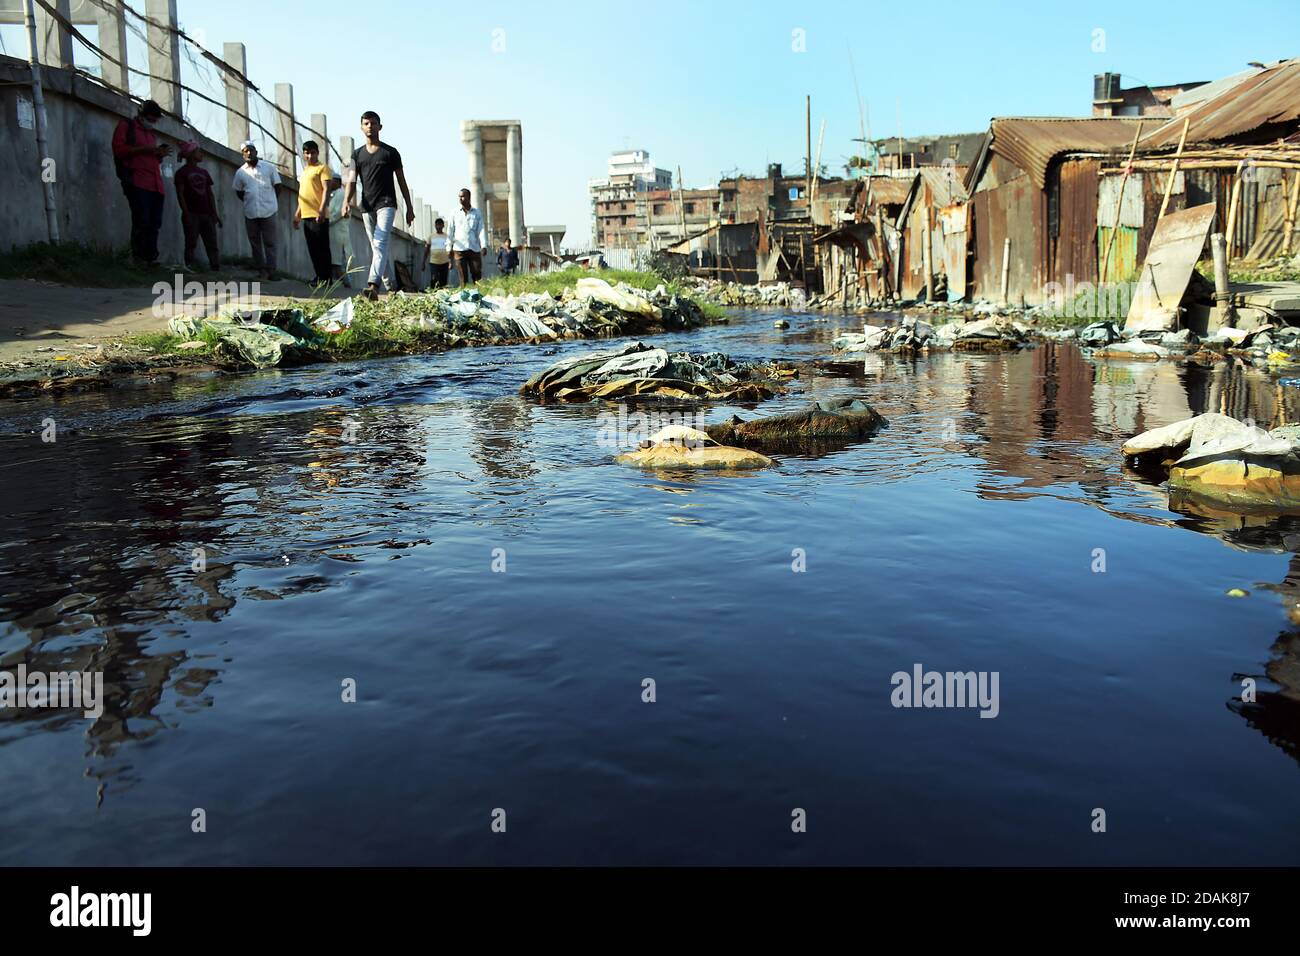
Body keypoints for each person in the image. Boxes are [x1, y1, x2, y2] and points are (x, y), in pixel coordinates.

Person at [341, 111, 415, 300]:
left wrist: (409, 207)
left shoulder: (390, 152)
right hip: (367, 206)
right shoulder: (356, 155)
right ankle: (392, 286)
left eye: (373, 123)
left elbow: (401, 181)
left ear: (380, 127)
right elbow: (350, 180)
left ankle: (373, 286)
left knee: (380, 242)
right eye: (366, 123)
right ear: (361, 127)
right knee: (377, 249)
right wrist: (346, 202)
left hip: (387, 204)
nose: (370, 126)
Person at [112, 99, 171, 266]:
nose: (153, 123)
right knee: (141, 221)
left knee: (154, 224)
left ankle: (151, 259)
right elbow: (119, 150)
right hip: (137, 182)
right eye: (151, 119)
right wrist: (145, 150)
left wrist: (159, 154)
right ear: (142, 115)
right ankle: (138, 258)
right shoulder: (126, 126)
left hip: (156, 185)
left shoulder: (151, 135)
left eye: (155, 120)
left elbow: (150, 159)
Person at [232, 141, 281, 280]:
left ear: (256, 152)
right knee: (255, 243)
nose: (249, 153)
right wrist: (250, 201)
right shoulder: (240, 172)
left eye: (251, 150)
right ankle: (261, 270)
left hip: (268, 211)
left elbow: (278, 187)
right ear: (242, 154)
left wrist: (270, 201)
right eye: (245, 151)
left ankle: (272, 271)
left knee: (270, 242)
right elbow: (239, 191)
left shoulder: (268, 168)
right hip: (251, 212)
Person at [173, 141, 222, 271]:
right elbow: (180, 194)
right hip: (192, 214)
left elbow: (210, 194)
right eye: (198, 151)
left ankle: (215, 267)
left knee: (211, 242)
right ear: (190, 154)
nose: (201, 154)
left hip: (207, 214)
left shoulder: (204, 172)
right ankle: (190, 266)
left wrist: (215, 213)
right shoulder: (182, 173)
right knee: (191, 242)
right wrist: (186, 213)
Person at [293, 140, 334, 285]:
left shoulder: (323, 169)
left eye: (313, 153)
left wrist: (322, 209)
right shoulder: (304, 172)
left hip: (319, 215)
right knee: (313, 248)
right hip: (306, 215)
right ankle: (319, 276)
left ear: (317, 153)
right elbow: (302, 194)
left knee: (322, 248)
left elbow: (326, 190)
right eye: (307, 153)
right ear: (304, 155)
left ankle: (326, 278)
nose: (310, 156)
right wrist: (297, 214)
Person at [447, 188, 484, 285]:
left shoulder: (477, 213)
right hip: (459, 249)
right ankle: (465, 297)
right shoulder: (454, 213)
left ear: (469, 197)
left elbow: (481, 230)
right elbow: (450, 231)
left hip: (474, 248)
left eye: (463, 196)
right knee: (463, 278)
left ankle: (478, 296)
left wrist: (483, 245)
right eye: (459, 197)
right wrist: (448, 247)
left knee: (477, 275)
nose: (460, 199)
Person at [429, 218, 451, 288]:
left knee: (443, 280)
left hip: (445, 262)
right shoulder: (431, 236)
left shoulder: (447, 236)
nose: (438, 227)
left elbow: (450, 249)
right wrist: (423, 262)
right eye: (437, 225)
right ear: (435, 226)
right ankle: (433, 293)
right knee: (434, 278)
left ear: (443, 226)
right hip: (434, 262)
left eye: (440, 225)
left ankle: (442, 295)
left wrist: (451, 262)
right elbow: (427, 249)